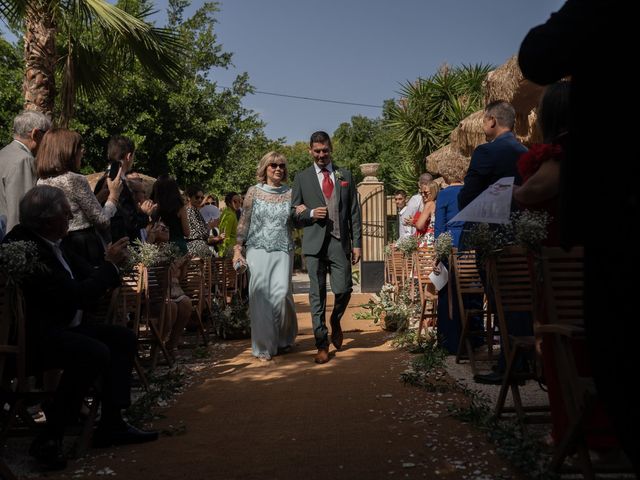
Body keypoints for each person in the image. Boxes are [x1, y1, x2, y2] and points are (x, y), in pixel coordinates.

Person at [519, 5, 638, 470]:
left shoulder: (553, 161)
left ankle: (597, 435)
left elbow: (539, 54)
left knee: (604, 346)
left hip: (599, 234)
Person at [2, 185, 158, 471]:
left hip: (59, 330)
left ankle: (112, 423)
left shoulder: (54, 243)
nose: (71, 217)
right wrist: (108, 266)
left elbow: (91, 276)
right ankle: (51, 437)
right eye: (66, 212)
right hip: (30, 340)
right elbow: (77, 295)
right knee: (92, 351)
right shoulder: (27, 246)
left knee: (121, 338)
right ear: (47, 219)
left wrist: (110, 265)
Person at [458, 100, 527, 385]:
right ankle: (522, 361)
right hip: (523, 237)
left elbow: (468, 195)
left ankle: (508, 366)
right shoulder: (525, 152)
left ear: (491, 121)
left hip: (494, 239)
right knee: (522, 300)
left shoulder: (486, 152)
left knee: (499, 301)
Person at [291, 131, 362, 364]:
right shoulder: (302, 178)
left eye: (325, 150)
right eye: (317, 151)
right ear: (310, 151)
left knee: (344, 289)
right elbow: (293, 215)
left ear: (331, 149)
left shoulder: (346, 176)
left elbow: (354, 213)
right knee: (316, 295)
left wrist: (357, 244)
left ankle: (335, 320)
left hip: (339, 242)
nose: (321, 155)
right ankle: (321, 343)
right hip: (313, 245)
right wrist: (310, 213)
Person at [232, 152, 301, 361]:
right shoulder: (253, 192)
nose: (278, 168)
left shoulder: (291, 193)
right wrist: (238, 248)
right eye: (273, 165)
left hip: (283, 249)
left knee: (281, 295)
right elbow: (244, 221)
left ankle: (283, 338)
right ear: (265, 168)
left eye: (281, 165)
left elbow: (297, 221)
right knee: (260, 297)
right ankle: (263, 347)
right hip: (257, 249)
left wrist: (301, 211)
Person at [37, 128, 122, 266]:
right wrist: (114, 196)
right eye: (78, 147)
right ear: (66, 151)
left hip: (60, 245)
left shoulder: (41, 181)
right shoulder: (75, 180)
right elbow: (102, 221)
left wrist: (98, 198)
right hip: (83, 246)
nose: (83, 151)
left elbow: (75, 207)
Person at [433, 163, 466, 354]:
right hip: (469, 244)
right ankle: (473, 337)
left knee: (447, 292)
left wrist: (438, 253)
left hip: (449, 245)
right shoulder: (471, 191)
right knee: (471, 290)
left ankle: (449, 341)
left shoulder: (444, 195)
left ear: (445, 177)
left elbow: (439, 227)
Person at [0, 110, 51, 231]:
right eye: (47, 135)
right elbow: (20, 212)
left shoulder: (4, 153)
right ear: (35, 134)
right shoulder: (24, 160)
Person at [94, 136, 146, 242]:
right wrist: (144, 213)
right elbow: (130, 222)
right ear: (129, 156)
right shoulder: (117, 184)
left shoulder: (103, 180)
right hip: (120, 246)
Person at [149, 175, 190, 254]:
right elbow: (187, 233)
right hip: (178, 246)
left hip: (159, 247)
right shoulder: (180, 207)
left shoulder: (154, 207)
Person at [399, 173, 433, 238]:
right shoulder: (438, 198)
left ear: (419, 184)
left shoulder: (416, 199)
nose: (424, 195)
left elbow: (405, 220)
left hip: (420, 236)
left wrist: (415, 221)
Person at [218, 191, 242, 257]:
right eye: (235, 201)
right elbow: (225, 236)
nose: (238, 204)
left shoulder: (228, 212)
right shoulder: (230, 215)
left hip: (231, 247)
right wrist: (223, 253)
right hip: (230, 249)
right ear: (229, 203)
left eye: (239, 201)